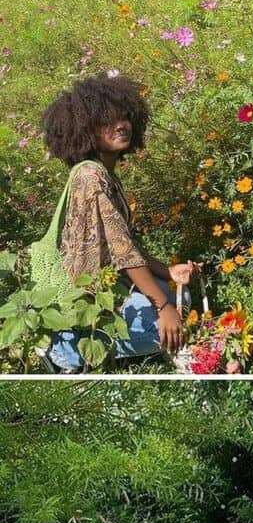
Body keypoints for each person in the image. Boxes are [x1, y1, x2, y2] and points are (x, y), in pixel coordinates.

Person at [38, 72, 202, 372]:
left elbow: (126, 244)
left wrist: (168, 272)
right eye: (106, 120)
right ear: (84, 129)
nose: (121, 125)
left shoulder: (105, 174)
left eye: (125, 117)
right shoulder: (90, 175)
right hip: (86, 297)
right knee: (164, 324)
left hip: (112, 287)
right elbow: (123, 250)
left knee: (183, 298)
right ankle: (63, 350)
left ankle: (86, 339)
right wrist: (163, 308)